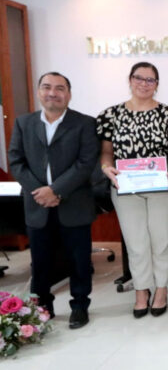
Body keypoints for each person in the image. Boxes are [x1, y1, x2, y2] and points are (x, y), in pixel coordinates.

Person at [8, 72, 99, 329]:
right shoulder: (24, 123)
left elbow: (86, 163)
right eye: (47, 87)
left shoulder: (84, 123)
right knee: (40, 262)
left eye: (60, 88)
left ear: (68, 94)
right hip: (37, 205)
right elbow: (16, 160)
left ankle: (79, 306)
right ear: (39, 92)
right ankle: (43, 308)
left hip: (74, 203)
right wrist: (41, 191)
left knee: (79, 261)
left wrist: (56, 190)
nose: (53, 93)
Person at [98, 62, 168, 318]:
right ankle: (141, 291)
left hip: (163, 185)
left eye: (150, 80)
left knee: (162, 240)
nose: (144, 83)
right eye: (139, 78)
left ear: (157, 84)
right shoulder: (110, 115)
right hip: (126, 187)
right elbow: (106, 153)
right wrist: (106, 168)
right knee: (136, 243)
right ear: (130, 80)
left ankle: (161, 289)